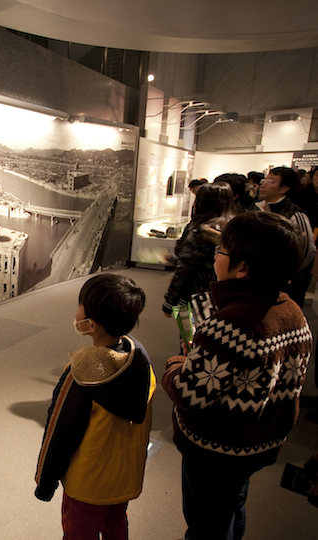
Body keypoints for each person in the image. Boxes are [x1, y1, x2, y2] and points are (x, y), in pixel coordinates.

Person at [163, 212, 313, 540]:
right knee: (233, 505)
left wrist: (175, 365)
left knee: (207, 523)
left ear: (242, 268)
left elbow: (190, 395)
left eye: (221, 252)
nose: (215, 256)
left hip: (216, 449)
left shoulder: (229, 325)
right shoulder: (292, 311)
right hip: (256, 443)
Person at [35, 273, 155, 540]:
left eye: (80, 305)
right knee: (116, 527)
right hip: (124, 478)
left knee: (79, 534)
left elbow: (60, 433)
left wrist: (46, 481)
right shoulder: (141, 361)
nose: (75, 310)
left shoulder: (80, 375)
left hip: (88, 485)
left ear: (91, 324)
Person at [163, 184, 235, 322]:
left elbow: (186, 268)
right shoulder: (233, 226)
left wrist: (170, 301)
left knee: (192, 337)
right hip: (226, 295)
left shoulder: (202, 231)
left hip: (197, 296)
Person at [256, 166, 315, 306]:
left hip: (284, 285)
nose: (264, 184)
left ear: (284, 188)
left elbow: (306, 251)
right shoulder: (257, 208)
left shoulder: (295, 215)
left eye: (271, 181)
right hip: (258, 280)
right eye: (265, 179)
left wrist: (288, 276)